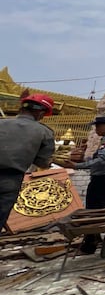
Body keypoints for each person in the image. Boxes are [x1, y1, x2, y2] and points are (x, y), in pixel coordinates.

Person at [63, 115, 105, 254]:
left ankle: (90, 244)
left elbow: (102, 159)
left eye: (98, 125)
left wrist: (79, 165)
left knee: (93, 213)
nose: (96, 128)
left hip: (102, 180)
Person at [0, 94, 56, 231]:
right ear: (40, 112)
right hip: (10, 179)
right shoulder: (44, 132)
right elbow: (42, 162)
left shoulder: (1, 123)